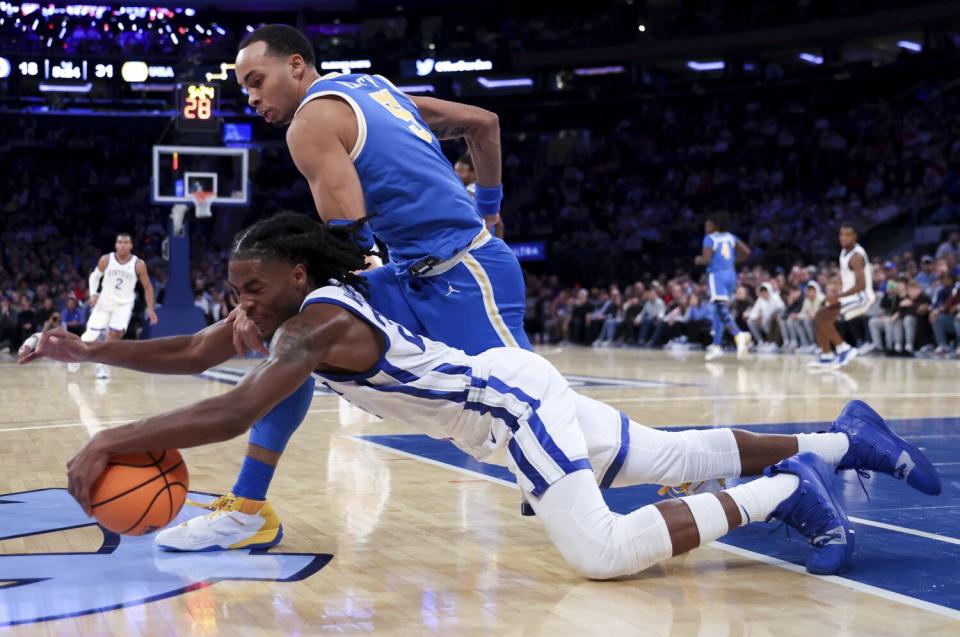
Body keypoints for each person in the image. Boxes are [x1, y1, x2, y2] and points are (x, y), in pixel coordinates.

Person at [21, 213, 941, 579]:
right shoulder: (292, 315)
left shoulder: (318, 324)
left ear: (298, 275)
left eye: (253, 288)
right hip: (505, 399)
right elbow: (193, 352)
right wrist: (80, 348)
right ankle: (841, 437)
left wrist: (108, 443)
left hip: (509, 411)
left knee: (604, 554)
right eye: (238, 290)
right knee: (671, 457)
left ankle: (788, 492)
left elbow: (228, 412)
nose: (241, 305)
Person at [168, 23, 571, 552]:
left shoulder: (309, 122)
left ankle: (685, 465)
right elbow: (483, 123)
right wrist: (491, 206)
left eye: (256, 80)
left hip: (465, 272)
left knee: (547, 417)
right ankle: (246, 509)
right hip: (410, 274)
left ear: (296, 65)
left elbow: (350, 239)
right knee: (298, 338)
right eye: (244, 87)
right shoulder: (375, 88)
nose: (251, 97)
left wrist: (270, 294)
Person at [76, 233, 158, 379]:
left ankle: (101, 365)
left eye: (126, 242)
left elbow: (148, 287)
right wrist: (93, 294)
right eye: (120, 242)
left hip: (124, 305)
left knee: (114, 335)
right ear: (116, 245)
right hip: (105, 302)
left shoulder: (138, 264)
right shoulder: (106, 259)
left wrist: (150, 308)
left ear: (131, 246)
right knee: (91, 335)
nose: (122, 245)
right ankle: (75, 355)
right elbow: (94, 277)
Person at [809, 224, 875, 368]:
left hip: (861, 297)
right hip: (849, 296)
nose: (843, 238)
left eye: (847, 235)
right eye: (841, 234)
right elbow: (846, 277)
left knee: (825, 318)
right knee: (820, 316)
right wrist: (836, 287)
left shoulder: (856, 256)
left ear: (855, 237)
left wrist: (839, 295)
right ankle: (826, 355)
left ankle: (844, 349)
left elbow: (861, 285)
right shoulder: (844, 252)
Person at [694, 213, 752, 361]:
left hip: (717, 275)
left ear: (714, 225)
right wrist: (733, 261)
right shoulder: (730, 237)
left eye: (708, 225)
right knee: (717, 309)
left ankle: (738, 334)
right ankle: (717, 345)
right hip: (731, 275)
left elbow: (707, 260)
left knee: (719, 307)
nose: (706, 228)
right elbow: (746, 252)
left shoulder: (709, 239)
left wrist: (698, 260)